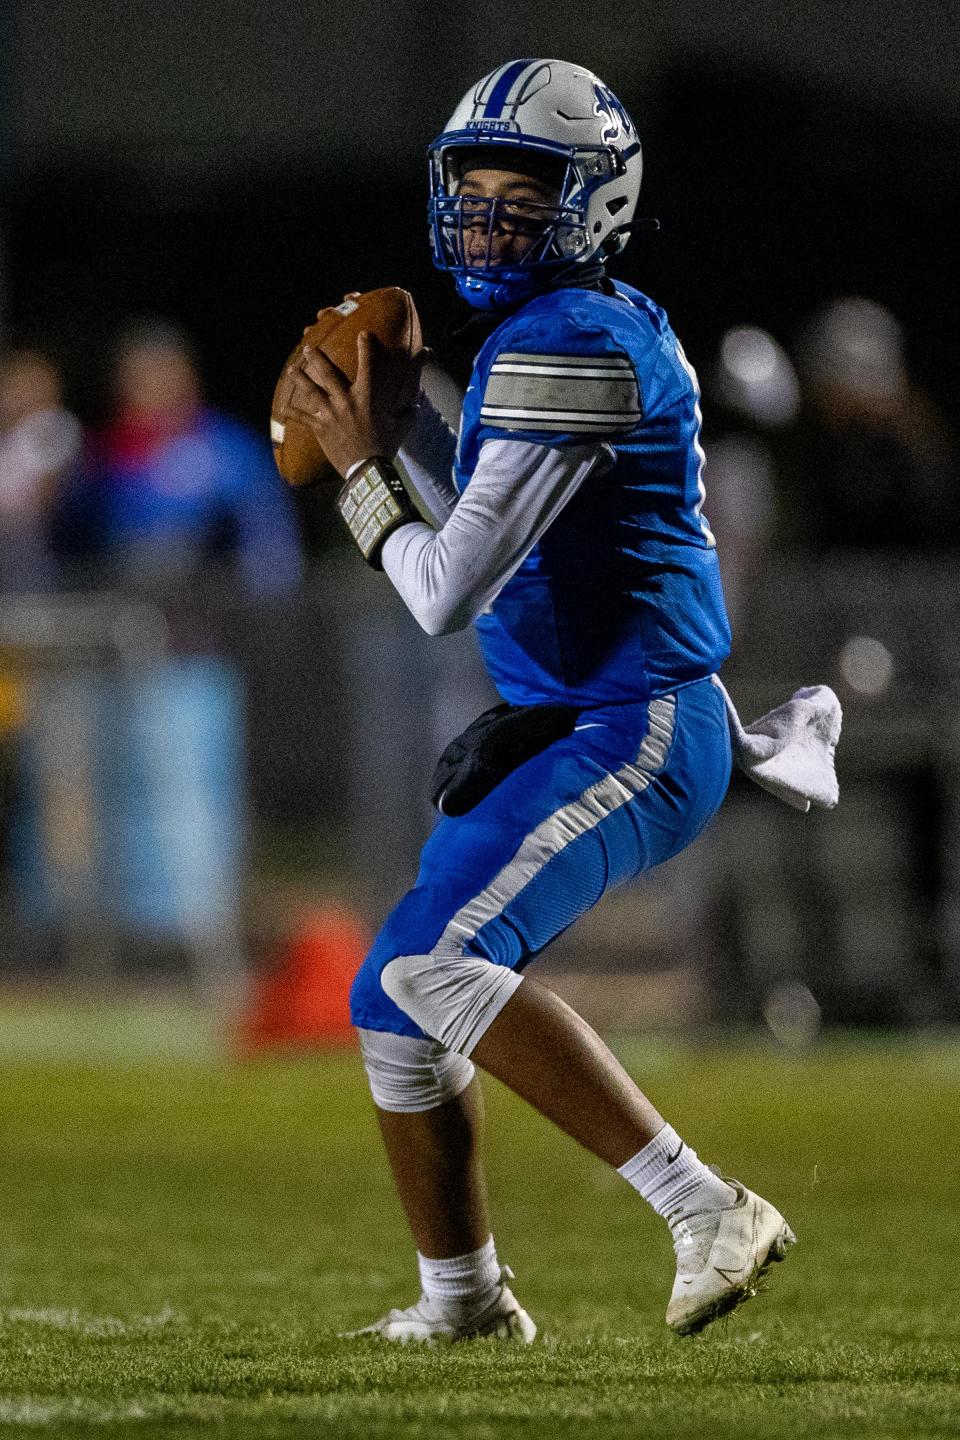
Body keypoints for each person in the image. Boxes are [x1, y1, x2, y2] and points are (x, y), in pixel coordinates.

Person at [288, 59, 805, 1343]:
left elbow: (444, 586)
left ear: (594, 206)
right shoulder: (564, 332)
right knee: (387, 998)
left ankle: (706, 1206)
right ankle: (462, 1301)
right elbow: (502, 508)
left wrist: (364, 469)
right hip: (578, 718)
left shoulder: (571, 339)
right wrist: (406, 433)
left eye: (524, 198)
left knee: (428, 963)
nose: (484, 221)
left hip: (636, 727)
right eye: (470, 191)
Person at [54, 320, 302, 595]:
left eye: (164, 371)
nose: (156, 387)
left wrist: (269, 606)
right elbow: (68, 540)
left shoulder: (229, 448)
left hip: (215, 612)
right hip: (118, 611)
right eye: (139, 377)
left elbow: (272, 544)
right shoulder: (100, 454)